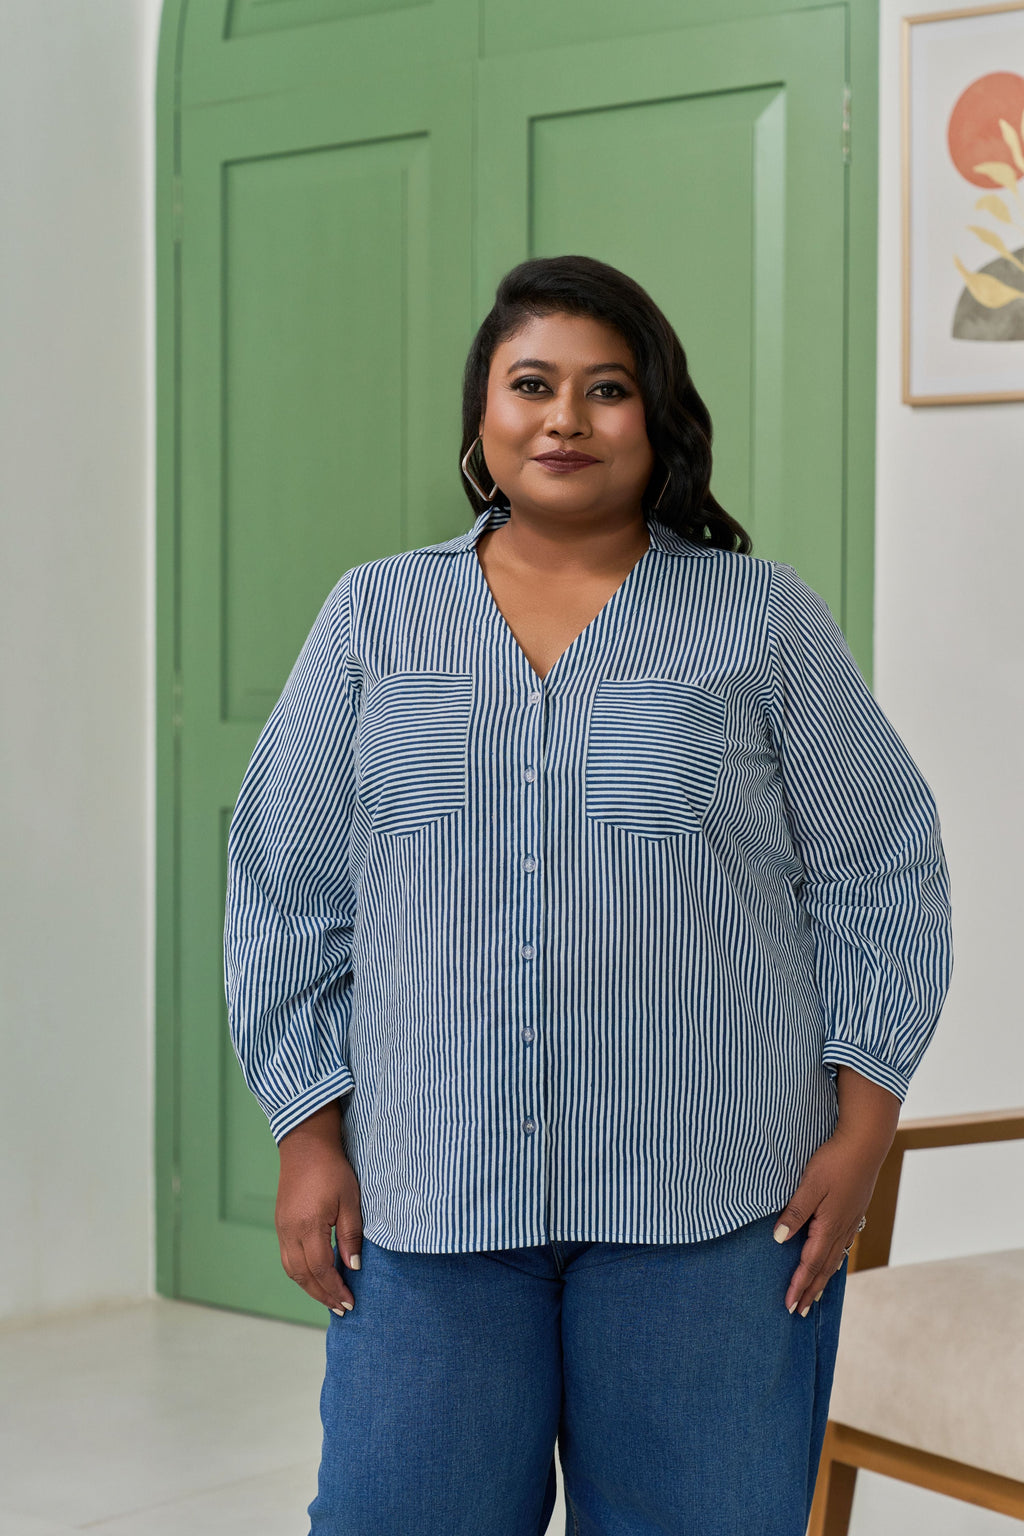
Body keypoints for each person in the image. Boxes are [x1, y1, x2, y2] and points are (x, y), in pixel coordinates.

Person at [224, 254, 953, 1535]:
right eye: (532, 385)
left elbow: (879, 867)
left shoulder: (758, 618)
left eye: (606, 389)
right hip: (430, 1196)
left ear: (655, 417)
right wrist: (306, 1136)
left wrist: (866, 1124)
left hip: (716, 1200)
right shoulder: (374, 617)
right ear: (483, 415)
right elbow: (286, 885)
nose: (565, 417)